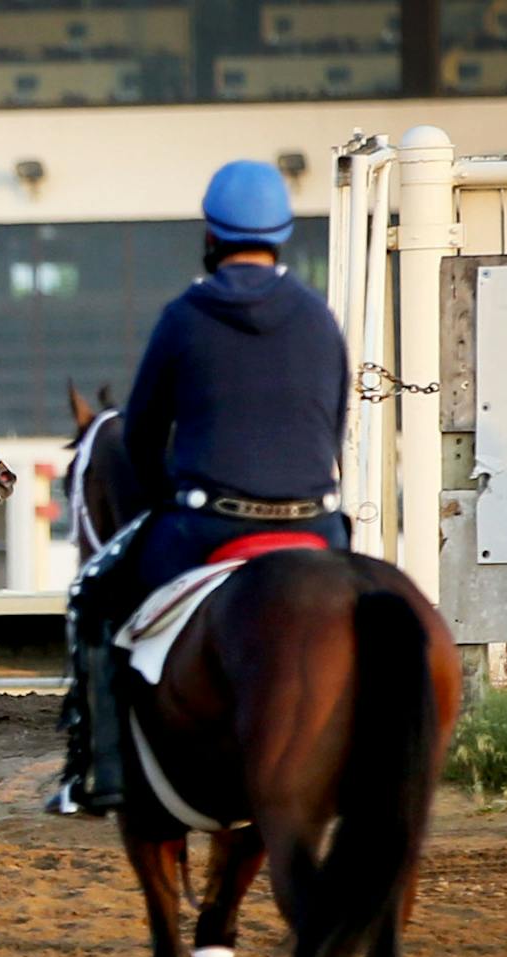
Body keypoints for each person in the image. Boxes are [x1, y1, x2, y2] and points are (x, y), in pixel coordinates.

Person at [50, 159, 352, 817]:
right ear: (281, 236)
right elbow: (333, 430)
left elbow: (141, 435)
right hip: (318, 526)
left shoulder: (184, 317)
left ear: (210, 238)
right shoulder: (320, 318)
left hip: (208, 526)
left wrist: (165, 497)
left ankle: (99, 773)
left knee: (92, 595)